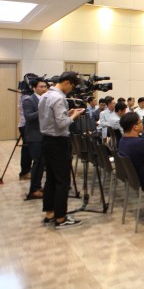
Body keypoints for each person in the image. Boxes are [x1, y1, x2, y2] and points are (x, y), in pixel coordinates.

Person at [39, 71, 85, 229]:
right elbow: (61, 124)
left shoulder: (45, 95)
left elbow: (51, 118)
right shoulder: (59, 98)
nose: (71, 91)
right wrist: (73, 116)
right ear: (67, 83)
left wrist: (67, 114)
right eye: (72, 87)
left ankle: (50, 213)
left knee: (51, 179)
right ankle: (61, 218)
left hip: (47, 140)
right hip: (58, 142)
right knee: (63, 181)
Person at [23, 78, 48, 200]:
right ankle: (33, 190)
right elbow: (28, 117)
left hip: (44, 135)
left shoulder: (45, 99)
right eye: (41, 87)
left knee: (42, 163)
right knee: (37, 163)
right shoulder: (29, 100)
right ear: (34, 88)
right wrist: (42, 110)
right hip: (34, 137)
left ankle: (38, 187)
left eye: (45, 87)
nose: (44, 89)